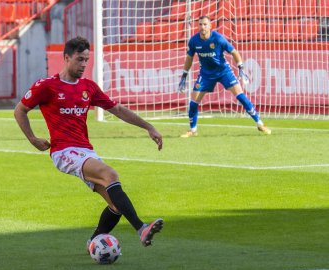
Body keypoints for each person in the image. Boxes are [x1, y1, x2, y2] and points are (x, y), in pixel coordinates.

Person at [14, 36, 164, 252]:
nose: (84, 65)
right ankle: (141, 229)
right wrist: (32, 139)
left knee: (115, 204)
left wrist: (148, 127)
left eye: (86, 60)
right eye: (79, 60)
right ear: (66, 58)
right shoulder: (47, 86)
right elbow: (20, 110)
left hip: (85, 150)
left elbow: (118, 110)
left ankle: (93, 242)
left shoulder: (88, 87)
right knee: (111, 174)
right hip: (63, 151)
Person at [178, 16, 271, 137]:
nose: (202, 27)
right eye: (200, 24)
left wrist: (241, 67)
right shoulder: (194, 41)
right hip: (206, 74)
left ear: (210, 26)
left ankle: (260, 124)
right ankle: (193, 130)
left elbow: (234, 52)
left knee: (241, 96)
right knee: (193, 102)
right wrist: (184, 74)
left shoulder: (218, 38)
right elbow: (189, 58)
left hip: (223, 71)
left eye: (205, 24)